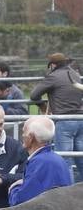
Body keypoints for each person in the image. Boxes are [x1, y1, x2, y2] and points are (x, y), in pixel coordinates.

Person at [29, 53, 83, 182]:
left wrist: (42, 107)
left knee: (64, 160)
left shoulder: (53, 77)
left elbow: (34, 95)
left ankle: (67, 193)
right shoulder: (75, 74)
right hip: (80, 119)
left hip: (64, 120)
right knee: (81, 158)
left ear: (53, 65)